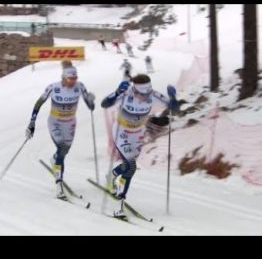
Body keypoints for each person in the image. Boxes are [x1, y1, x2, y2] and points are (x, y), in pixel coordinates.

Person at [101, 74, 179, 217]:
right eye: (143, 93)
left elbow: (174, 108)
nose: (146, 96)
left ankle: (111, 176)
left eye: (148, 92)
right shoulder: (125, 94)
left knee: (128, 164)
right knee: (131, 167)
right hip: (121, 132)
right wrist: (117, 92)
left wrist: (173, 98)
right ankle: (120, 205)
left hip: (138, 134)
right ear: (135, 90)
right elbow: (105, 104)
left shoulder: (153, 94)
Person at [25, 65, 95, 200]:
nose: (73, 81)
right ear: (63, 78)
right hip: (55, 122)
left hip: (70, 124)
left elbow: (90, 106)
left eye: (75, 78)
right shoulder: (53, 87)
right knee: (62, 148)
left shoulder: (80, 86)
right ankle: (59, 186)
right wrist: (32, 123)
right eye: (70, 78)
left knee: (63, 152)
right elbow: (38, 103)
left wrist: (91, 101)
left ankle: (55, 159)